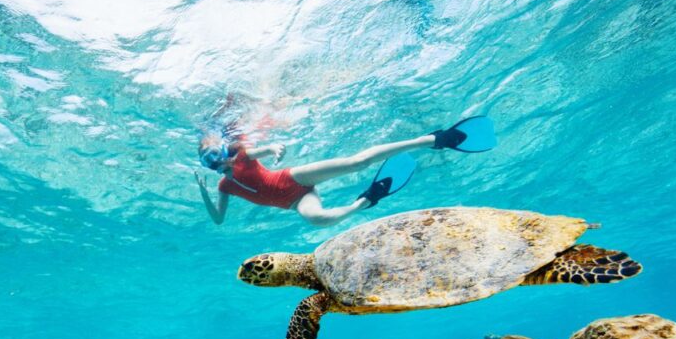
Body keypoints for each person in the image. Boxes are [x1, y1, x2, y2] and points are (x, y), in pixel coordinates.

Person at [194, 117, 494, 226]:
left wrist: (274, 150)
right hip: (295, 202)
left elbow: (266, 150)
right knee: (319, 220)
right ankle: (365, 200)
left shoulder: (243, 156)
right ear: (208, 167)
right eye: (210, 161)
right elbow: (218, 220)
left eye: (216, 155)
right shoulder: (223, 187)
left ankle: (432, 140)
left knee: (356, 162)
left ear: (223, 150)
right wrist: (205, 194)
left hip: (294, 178)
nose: (218, 162)